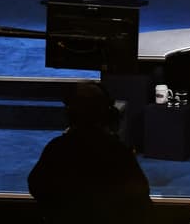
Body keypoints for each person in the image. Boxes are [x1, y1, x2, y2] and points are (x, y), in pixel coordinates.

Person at [27, 81, 152, 224]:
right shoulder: (118, 151)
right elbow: (140, 199)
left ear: (70, 115)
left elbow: (36, 187)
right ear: (107, 115)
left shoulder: (57, 148)